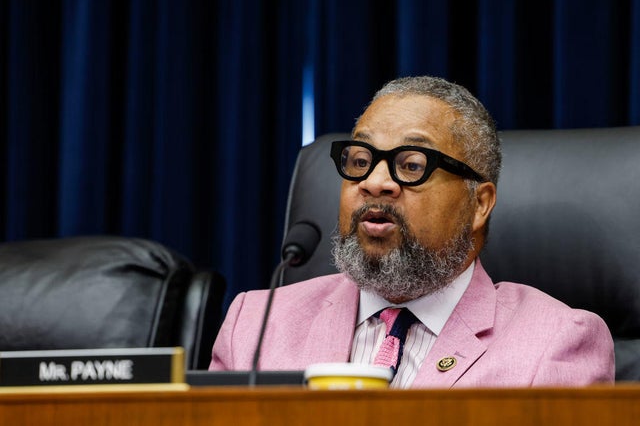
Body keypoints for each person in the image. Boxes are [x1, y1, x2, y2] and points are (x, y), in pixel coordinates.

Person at [209, 76, 615, 388]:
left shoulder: (557, 342)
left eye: (411, 164)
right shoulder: (256, 325)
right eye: (361, 159)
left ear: (480, 204)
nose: (375, 182)